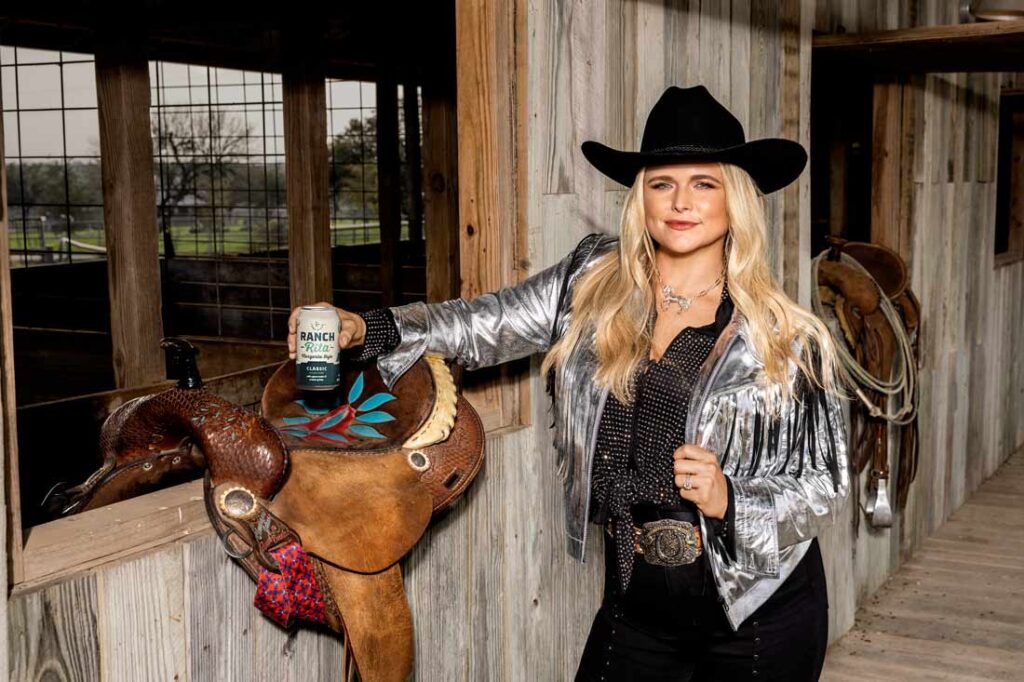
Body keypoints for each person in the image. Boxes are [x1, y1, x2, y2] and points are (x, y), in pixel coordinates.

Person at [287, 85, 850, 681]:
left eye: (704, 183)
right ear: (642, 198)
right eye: (662, 183)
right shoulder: (591, 280)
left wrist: (729, 497)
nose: (681, 201)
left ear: (735, 199)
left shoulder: (786, 336)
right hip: (637, 604)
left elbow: (823, 485)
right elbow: (484, 321)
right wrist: (367, 328)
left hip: (756, 613)